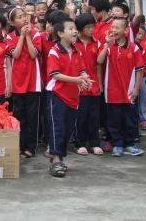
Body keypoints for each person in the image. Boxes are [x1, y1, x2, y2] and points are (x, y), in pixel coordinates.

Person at [46, 17, 92, 177]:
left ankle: (58, 156)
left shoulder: (77, 50)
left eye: (75, 29)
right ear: (60, 33)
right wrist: (77, 80)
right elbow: (56, 75)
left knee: (68, 128)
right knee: (57, 127)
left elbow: (82, 70)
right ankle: (56, 159)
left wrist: (85, 77)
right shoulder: (54, 51)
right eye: (70, 29)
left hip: (73, 96)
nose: (75, 31)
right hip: (57, 94)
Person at [97, 18, 145, 157]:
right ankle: (117, 144)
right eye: (112, 27)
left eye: (117, 28)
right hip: (112, 92)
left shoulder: (134, 48)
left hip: (129, 92)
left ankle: (130, 144)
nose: (113, 30)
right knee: (114, 120)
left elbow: (139, 70)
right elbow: (99, 61)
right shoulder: (109, 47)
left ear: (126, 31)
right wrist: (106, 44)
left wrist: (136, 88)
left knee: (129, 119)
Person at [6, 7, 42, 158]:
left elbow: (34, 54)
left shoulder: (36, 33)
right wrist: (21, 36)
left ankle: (31, 147)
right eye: (20, 17)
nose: (24, 19)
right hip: (17, 80)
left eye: (24, 15)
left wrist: (28, 36)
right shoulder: (9, 37)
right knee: (19, 115)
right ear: (13, 22)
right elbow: (16, 54)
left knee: (33, 116)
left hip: (33, 81)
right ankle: (20, 145)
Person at [73, 13, 103, 156]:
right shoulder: (73, 44)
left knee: (94, 116)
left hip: (93, 84)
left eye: (92, 27)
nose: (91, 30)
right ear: (80, 29)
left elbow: (98, 65)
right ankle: (80, 143)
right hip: (78, 85)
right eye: (88, 27)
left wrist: (100, 83)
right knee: (81, 116)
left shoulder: (96, 43)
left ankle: (94, 143)